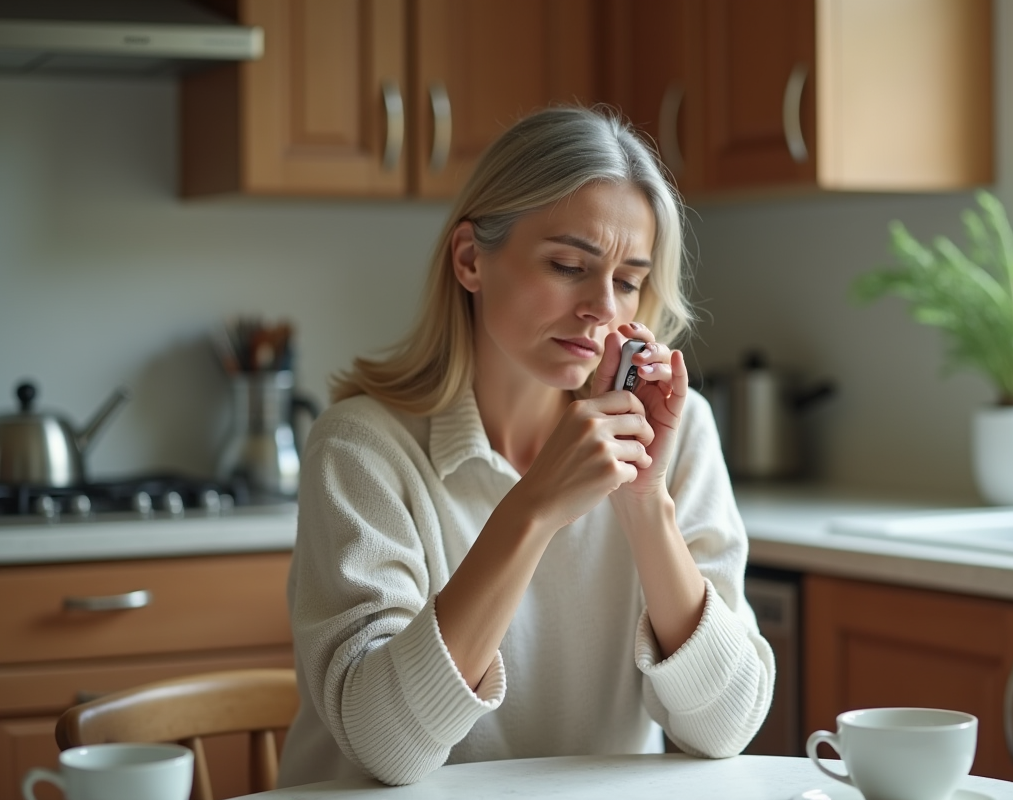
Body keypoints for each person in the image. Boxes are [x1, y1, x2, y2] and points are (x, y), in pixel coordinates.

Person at [276, 105, 775, 788]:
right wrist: (534, 506)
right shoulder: (362, 448)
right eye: (569, 265)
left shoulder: (677, 433)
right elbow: (388, 745)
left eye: (628, 280)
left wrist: (644, 500)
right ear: (470, 259)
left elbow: (727, 728)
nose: (603, 306)